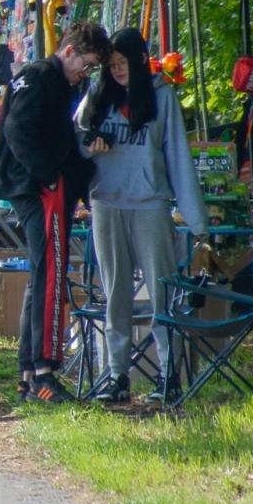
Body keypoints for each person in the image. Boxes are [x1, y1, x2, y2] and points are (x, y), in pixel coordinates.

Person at [77, 27, 207, 403]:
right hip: (107, 203)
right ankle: (116, 375)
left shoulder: (162, 96)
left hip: (150, 204)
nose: (118, 71)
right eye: (111, 65)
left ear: (138, 61)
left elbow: (179, 159)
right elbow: (78, 138)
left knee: (161, 290)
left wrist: (197, 221)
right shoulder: (98, 94)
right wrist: (91, 144)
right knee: (114, 293)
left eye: (123, 63)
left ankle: (169, 375)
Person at [0, 20, 111, 404]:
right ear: (69, 51)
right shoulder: (41, 76)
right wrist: (50, 177)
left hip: (42, 184)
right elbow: (16, 129)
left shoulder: (59, 83)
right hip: (39, 187)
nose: (85, 73)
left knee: (44, 274)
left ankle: (29, 374)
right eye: (86, 64)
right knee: (52, 275)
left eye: (92, 69)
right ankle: (44, 370)